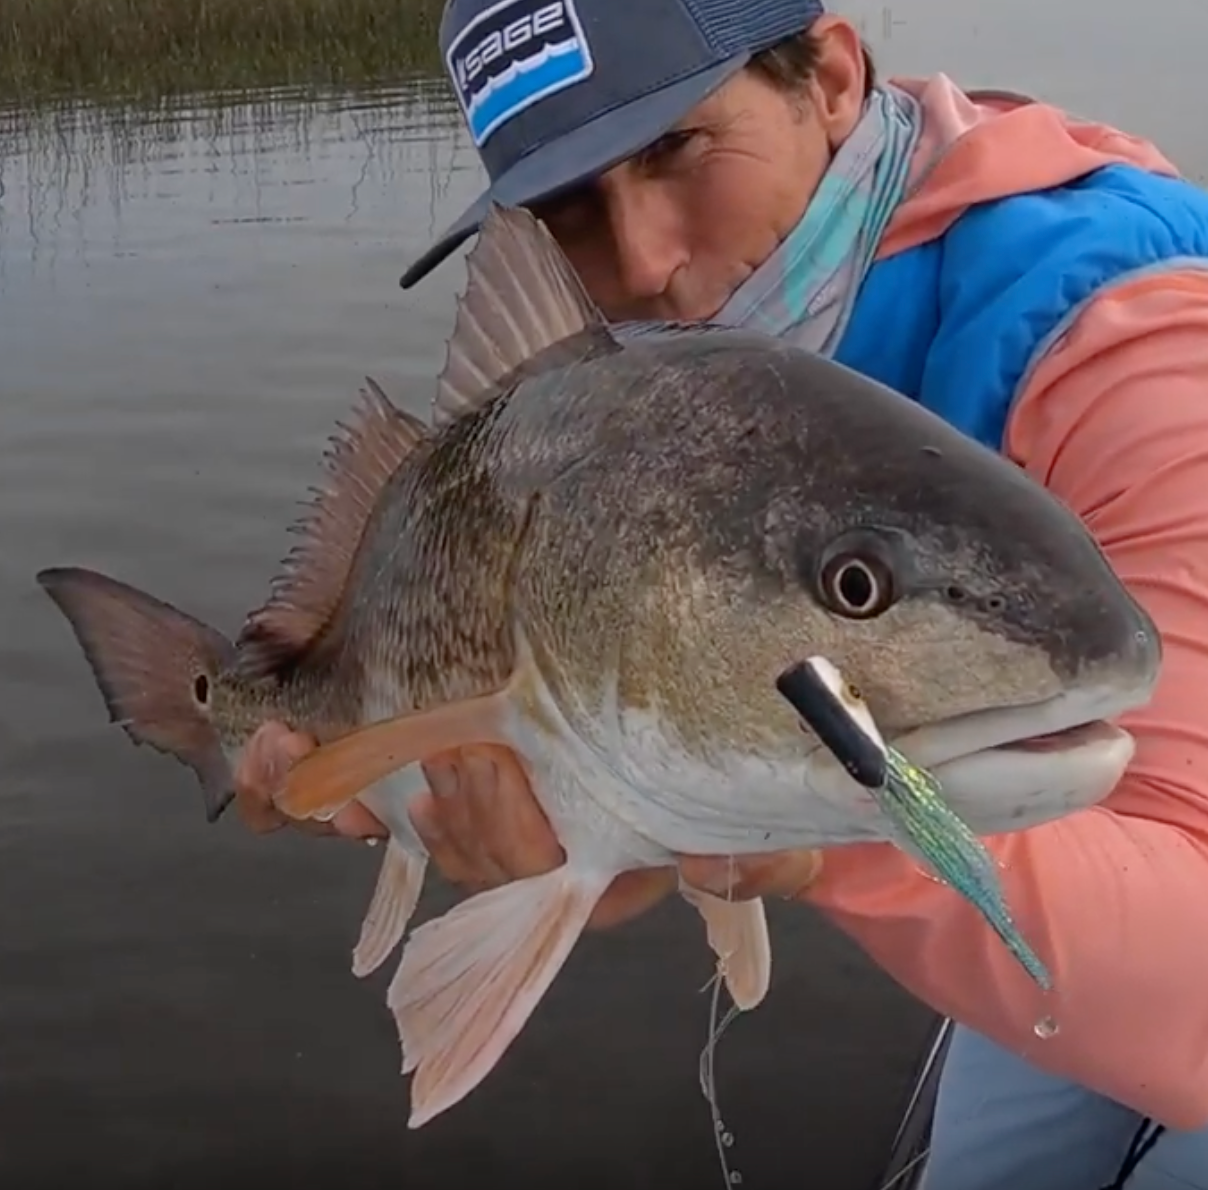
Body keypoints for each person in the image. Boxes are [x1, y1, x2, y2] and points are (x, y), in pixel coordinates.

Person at [234, 2, 1208, 1186]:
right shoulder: (714, 375)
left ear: (833, 77)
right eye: (567, 211)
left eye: (677, 148)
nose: (640, 260)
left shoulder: (1136, 340)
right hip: (1057, 863)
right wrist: (625, 800)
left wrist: (777, 825)